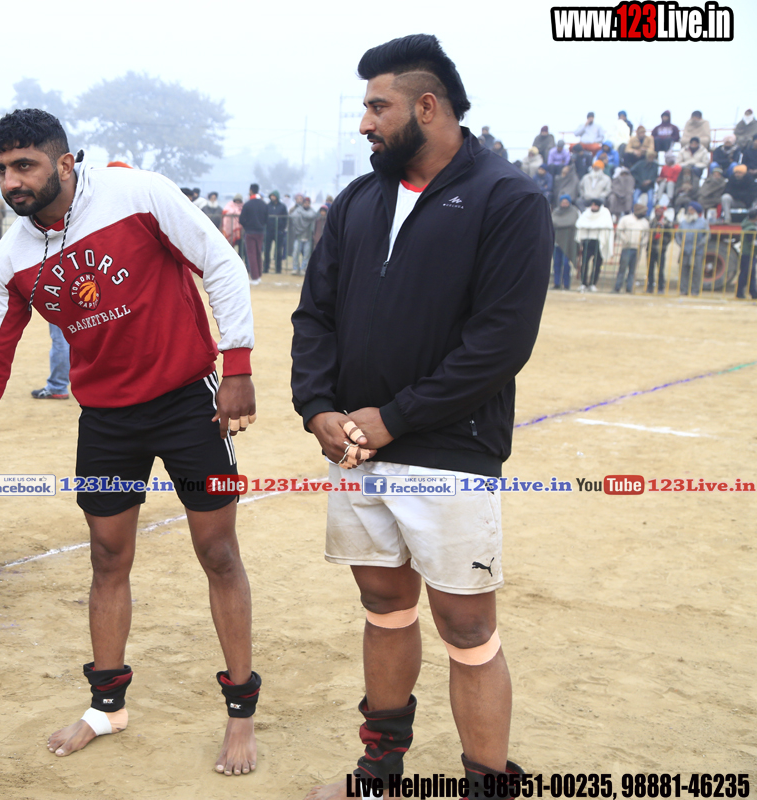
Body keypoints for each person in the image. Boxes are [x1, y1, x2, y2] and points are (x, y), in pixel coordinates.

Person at [0, 108, 260, 777]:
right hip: (106, 421)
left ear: (64, 162)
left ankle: (240, 713)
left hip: (188, 404)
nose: (11, 182)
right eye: (1, 169)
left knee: (218, 552)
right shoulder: (11, 257)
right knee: (108, 557)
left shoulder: (136, 193)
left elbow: (220, 264)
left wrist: (238, 369)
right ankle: (107, 707)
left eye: (24, 166)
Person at [292, 35, 547, 800]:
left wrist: (396, 417)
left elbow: (499, 342)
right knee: (384, 608)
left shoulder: (507, 197)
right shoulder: (358, 201)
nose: (364, 123)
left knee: (467, 629)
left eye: (378, 107)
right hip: (359, 450)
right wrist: (318, 407)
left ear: (427, 107)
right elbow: (315, 315)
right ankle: (380, 773)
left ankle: (488, 785)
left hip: (450, 451)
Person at [575, 198, 613, 291]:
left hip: (599, 242)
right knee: (584, 263)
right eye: (592, 205)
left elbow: (606, 225)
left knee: (597, 264)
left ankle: (593, 283)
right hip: (588, 241)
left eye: (595, 205)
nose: (593, 207)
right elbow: (579, 224)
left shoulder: (605, 213)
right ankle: (583, 283)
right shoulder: (586, 214)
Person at [613, 202, 649, 293]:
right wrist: (625, 240)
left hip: (637, 248)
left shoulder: (645, 222)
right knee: (622, 268)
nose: (645, 213)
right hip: (627, 247)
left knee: (633, 270)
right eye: (643, 211)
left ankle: (629, 288)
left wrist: (642, 243)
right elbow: (619, 230)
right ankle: (617, 287)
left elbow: (646, 235)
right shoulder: (626, 219)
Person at [675, 202, 708, 295]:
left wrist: (699, 245)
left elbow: (706, 236)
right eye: (689, 209)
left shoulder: (703, 223)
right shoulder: (683, 222)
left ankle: (695, 291)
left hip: (697, 251)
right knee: (683, 270)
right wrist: (680, 244)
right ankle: (683, 290)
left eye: (691, 209)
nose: (689, 211)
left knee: (697, 271)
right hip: (684, 250)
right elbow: (677, 234)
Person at [239, 183, 268, 284]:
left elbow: (241, 219)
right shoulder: (263, 204)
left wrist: (247, 226)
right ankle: (258, 275)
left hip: (250, 232)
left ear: (250, 191)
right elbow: (266, 218)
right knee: (258, 253)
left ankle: (254, 277)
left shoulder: (247, 204)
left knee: (251, 254)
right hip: (260, 232)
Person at [551, 195, 578, 290]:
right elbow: (552, 221)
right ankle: (557, 283)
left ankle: (566, 284)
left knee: (566, 264)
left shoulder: (573, 211)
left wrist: (558, 224)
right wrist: (560, 224)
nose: (564, 204)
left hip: (568, 242)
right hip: (556, 242)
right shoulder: (556, 211)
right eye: (563, 202)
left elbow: (571, 222)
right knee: (556, 264)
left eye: (566, 202)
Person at [647, 206, 674, 293]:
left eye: (659, 211)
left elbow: (670, 235)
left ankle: (661, 287)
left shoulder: (666, 222)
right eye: (656, 211)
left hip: (661, 249)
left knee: (660, 270)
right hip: (651, 249)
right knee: (650, 269)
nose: (657, 213)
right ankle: (650, 287)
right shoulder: (652, 221)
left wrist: (664, 243)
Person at [288, 195, 315, 275]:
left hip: (308, 237)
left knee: (306, 255)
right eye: (305, 203)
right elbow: (292, 216)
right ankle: (295, 268)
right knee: (295, 253)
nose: (306, 204)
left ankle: (303, 268)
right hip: (298, 236)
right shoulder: (298, 210)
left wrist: (301, 213)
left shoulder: (311, 211)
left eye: (308, 203)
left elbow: (310, 215)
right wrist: (301, 213)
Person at [263, 190, 288, 274]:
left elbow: (285, 218)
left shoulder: (282, 207)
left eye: (274, 196)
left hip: (279, 231)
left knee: (278, 251)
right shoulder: (267, 206)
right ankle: (266, 268)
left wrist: (282, 228)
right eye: (271, 196)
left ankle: (278, 268)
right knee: (267, 250)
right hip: (268, 231)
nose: (272, 197)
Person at [735, 209, 757, 300]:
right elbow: (752, 241)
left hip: (748, 254)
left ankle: (754, 293)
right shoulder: (751, 228)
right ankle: (739, 293)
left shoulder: (746, 224)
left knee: (750, 275)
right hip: (748, 253)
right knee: (745, 275)